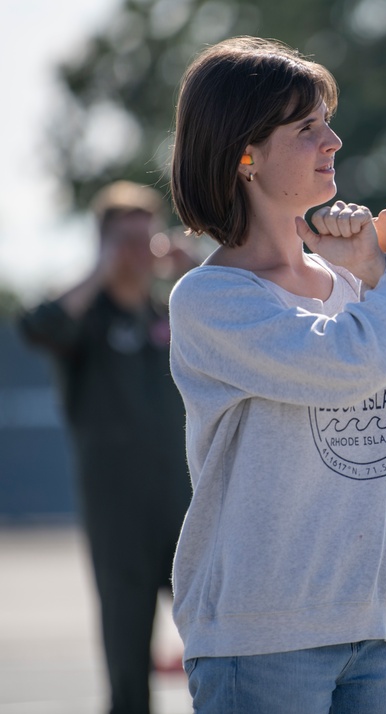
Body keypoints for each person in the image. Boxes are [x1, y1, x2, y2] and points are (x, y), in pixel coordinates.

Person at [166, 37, 386, 713]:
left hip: (374, 625)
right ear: (245, 154)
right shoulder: (211, 301)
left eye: (325, 120)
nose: (335, 139)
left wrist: (381, 272)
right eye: (306, 128)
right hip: (261, 637)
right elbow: (351, 364)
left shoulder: (354, 284)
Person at [18, 181, 194, 714]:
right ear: (101, 244)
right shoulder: (85, 322)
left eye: (147, 237)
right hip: (117, 513)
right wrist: (101, 270)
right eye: (124, 240)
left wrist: (192, 268)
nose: (139, 251)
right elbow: (35, 327)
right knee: (126, 655)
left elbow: (239, 323)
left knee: (219, 637)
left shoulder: (173, 312)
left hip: (184, 507)